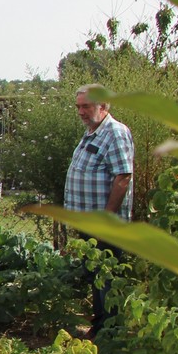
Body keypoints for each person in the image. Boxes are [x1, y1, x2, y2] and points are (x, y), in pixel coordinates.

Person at [64, 83, 134, 334]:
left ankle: (111, 333)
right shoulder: (93, 132)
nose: (80, 112)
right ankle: (100, 327)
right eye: (78, 107)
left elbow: (123, 177)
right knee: (96, 275)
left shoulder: (115, 132)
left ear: (103, 105)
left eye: (86, 106)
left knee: (106, 278)